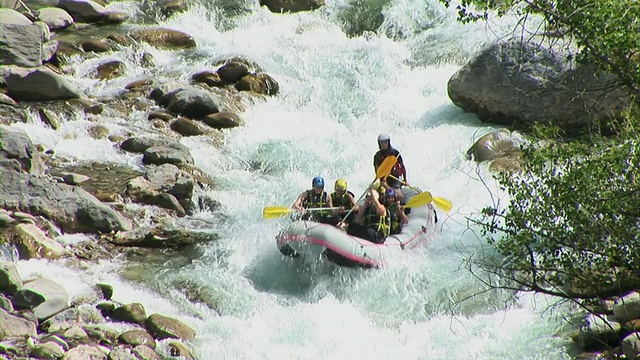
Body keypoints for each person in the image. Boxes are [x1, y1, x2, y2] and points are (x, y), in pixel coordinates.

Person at [373, 134, 408, 200]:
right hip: (383, 179)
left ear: (388, 142)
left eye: (385, 142)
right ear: (379, 143)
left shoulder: (395, 153)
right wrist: (382, 180)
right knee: (381, 196)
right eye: (382, 142)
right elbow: (377, 170)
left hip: (394, 178)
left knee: (399, 196)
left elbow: (402, 166)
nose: (384, 144)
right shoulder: (377, 156)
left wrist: (405, 179)